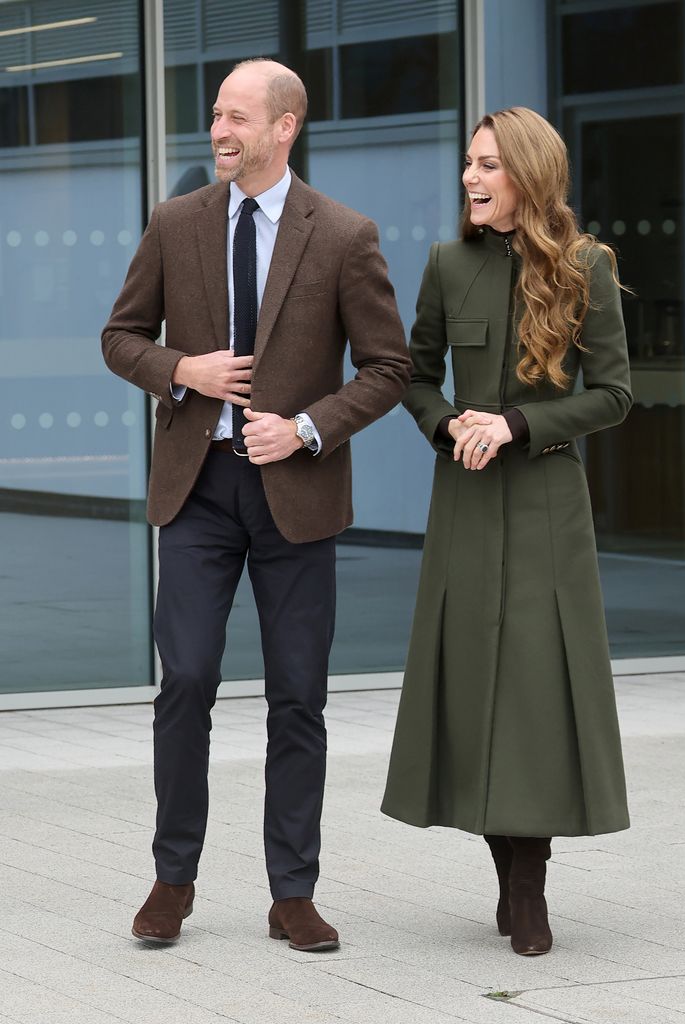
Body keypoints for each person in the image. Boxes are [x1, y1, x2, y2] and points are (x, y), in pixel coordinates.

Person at [102, 58, 409, 951]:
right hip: (197, 490)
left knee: (298, 697)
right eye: (215, 116)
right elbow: (121, 337)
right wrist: (180, 370)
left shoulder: (345, 235)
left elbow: (389, 369)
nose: (219, 131)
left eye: (237, 117)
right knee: (186, 679)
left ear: (286, 127)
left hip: (296, 496)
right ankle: (172, 879)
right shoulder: (176, 222)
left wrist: (309, 428)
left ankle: (292, 893)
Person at [381, 107, 631, 956]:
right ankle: (502, 876)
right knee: (474, 689)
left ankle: (529, 887)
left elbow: (613, 393)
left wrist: (519, 426)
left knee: (532, 695)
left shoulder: (586, 266)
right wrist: (447, 423)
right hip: (464, 506)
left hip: (546, 509)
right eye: (467, 163)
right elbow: (411, 378)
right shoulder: (446, 265)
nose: (469, 178)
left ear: (526, 173)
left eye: (486, 164)